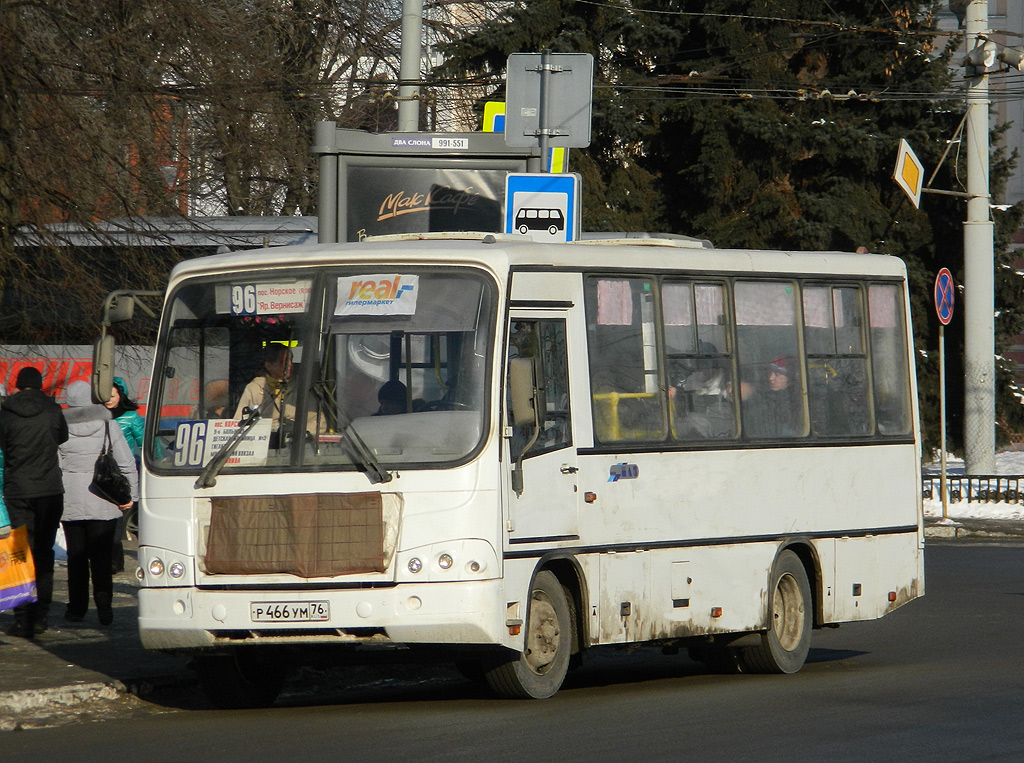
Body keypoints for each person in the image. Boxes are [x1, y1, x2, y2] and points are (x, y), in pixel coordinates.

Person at [58, 380, 138, 626]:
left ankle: (76, 609)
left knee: (76, 558)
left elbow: (55, 464)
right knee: (102, 559)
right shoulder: (108, 425)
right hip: (104, 500)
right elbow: (125, 463)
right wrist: (131, 496)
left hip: (70, 500)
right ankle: (104, 606)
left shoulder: (59, 428)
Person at [0, 366, 69, 638]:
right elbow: (62, 437)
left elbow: (3, 445)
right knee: (44, 552)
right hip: (50, 489)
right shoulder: (53, 410)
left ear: (18, 385)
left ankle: (22, 618)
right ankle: (41, 617)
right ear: (40, 385)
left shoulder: (5, 413)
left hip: (18, 489)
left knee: (20, 553)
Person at [234, 343, 322, 443]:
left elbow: (319, 421)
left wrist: (299, 433)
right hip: (264, 446)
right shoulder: (254, 389)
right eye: (283, 362)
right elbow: (239, 423)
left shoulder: (303, 388)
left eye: (291, 360)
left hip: (297, 448)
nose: (289, 365)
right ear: (268, 365)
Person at [105, 376, 144, 573]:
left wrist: (158, 461)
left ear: (121, 395)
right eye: (106, 396)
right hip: (102, 474)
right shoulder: (98, 416)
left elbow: (147, 444)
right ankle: (111, 560)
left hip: (123, 473)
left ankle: (114, 561)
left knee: (119, 517)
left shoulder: (131, 417)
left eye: (113, 395)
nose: (109, 400)